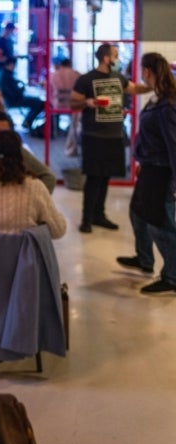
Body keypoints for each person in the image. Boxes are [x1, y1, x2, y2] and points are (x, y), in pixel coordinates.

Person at [71, 43, 152, 233]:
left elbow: (135, 89)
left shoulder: (119, 78)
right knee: (93, 178)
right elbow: (73, 103)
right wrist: (87, 102)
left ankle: (100, 215)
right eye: (115, 55)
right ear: (106, 58)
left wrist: (156, 85)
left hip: (113, 135)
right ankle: (87, 219)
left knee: (105, 177)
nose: (118, 59)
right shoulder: (86, 79)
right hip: (93, 135)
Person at [116, 52, 176, 294]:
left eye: (141, 70)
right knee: (138, 213)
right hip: (151, 167)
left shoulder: (167, 104)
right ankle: (144, 259)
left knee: (160, 223)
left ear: (147, 71)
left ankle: (172, 276)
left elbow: (174, 145)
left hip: (161, 172)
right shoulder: (158, 98)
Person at [0, 56, 46, 131]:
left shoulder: (5, 74)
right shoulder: (7, 76)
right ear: (11, 64)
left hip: (13, 98)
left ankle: (28, 121)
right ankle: (28, 121)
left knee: (37, 101)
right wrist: (21, 89)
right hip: (14, 100)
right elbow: (14, 92)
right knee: (40, 103)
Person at [50, 58, 81, 156]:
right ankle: (72, 141)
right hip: (73, 105)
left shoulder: (54, 75)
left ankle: (55, 131)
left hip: (58, 105)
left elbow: (50, 91)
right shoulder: (76, 74)